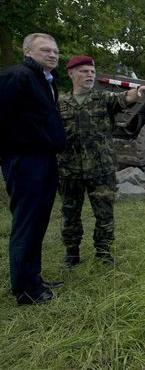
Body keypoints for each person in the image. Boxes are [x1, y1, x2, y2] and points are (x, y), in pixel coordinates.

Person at [58, 55, 145, 267]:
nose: (90, 75)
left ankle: (103, 253)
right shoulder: (61, 103)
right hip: (69, 170)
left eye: (92, 72)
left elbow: (125, 98)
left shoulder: (103, 99)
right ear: (71, 73)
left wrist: (139, 91)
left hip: (101, 170)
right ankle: (72, 253)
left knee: (104, 214)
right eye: (84, 71)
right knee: (69, 213)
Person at [0, 33, 66, 305]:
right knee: (27, 224)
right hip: (25, 160)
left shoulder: (47, 81)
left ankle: (33, 279)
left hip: (44, 159)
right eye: (45, 50)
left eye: (55, 51)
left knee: (38, 223)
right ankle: (26, 291)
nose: (52, 54)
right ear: (27, 52)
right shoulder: (17, 77)